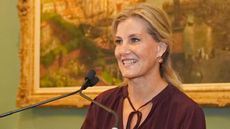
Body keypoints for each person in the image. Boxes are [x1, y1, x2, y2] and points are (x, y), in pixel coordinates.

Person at [81, 3, 206, 129]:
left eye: (134, 40)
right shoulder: (102, 105)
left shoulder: (186, 113)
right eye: (119, 41)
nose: (122, 51)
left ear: (160, 49)